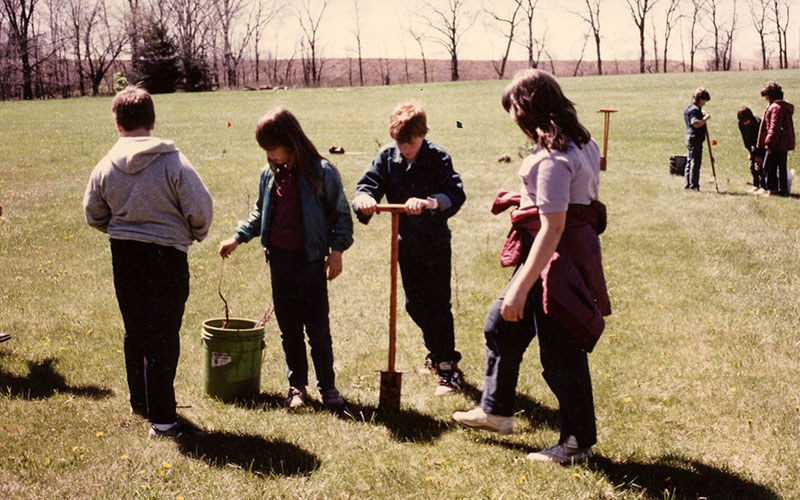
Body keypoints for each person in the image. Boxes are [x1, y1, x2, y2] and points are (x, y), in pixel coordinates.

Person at [452, 69, 610, 464]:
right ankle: (497, 410)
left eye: (515, 116)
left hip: (556, 264)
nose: (516, 125)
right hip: (565, 252)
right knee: (500, 325)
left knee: (560, 356)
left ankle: (577, 443)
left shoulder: (554, 160)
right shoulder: (583, 144)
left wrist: (523, 287)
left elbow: (553, 228)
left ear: (529, 113)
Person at [83, 85, 213, 439]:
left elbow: (92, 212)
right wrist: (192, 233)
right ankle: (164, 421)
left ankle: (140, 401)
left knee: (136, 330)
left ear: (117, 122)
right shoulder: (173, 161)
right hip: (166, 256)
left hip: (125, 255)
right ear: (152, 121)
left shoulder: (106, 164)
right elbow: (200, 208)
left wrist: (121, 227)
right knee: (163, 336)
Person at [218, 107, 353, 409]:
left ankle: (327, 388)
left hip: (310, 262)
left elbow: (340, 215)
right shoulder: (269, 175)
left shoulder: (322, 172)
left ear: (291, 141)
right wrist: (237, 238)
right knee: (288, 328)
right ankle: (297, 387)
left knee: (317, 328)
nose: (269, 155)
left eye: (272, 148)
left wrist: (337, 251)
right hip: (279, 262)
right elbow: (259, 214)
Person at [352, 102, 466, 397]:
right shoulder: (386, 158)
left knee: (438, 303)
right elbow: (368, 185)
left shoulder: (438, 157)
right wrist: (364, 199)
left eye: (411, 142)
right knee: (414, 304)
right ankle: (437, 352)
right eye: (399, 142)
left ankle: (447, 366)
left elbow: (455, 192)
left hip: (435, 244)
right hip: (405, 245)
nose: (404, 148)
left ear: (422, 135)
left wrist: (429, 202)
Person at [757, 81, 795, 197]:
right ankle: (783, 190)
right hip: (784, 143)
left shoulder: (775, 108)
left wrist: (768, 144)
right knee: (781, 166)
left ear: (769, 96)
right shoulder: (782, 106)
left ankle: (773, 190)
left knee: (768, 166)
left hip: (776, 143)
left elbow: (774, 127)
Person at [683, 87, 712, 191]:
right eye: (704, 100)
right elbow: (695, 124)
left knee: (689, 161)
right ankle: (694, 185)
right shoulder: (695, 110)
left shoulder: (690, 108)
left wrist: (701, 114)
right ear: (700, 99)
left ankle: (688, 184)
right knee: (695, 163)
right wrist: (705, 118)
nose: (705, 103)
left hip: (689, 137)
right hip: (695, 139)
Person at [737, 107, 766, 193]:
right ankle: (755, 185)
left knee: (760, 165)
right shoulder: (741, 124)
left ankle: (763, 186)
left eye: (746, 121)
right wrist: (750, 152)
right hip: (752, 146)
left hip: (761, 146)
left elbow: (760, 140)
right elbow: (746, 139)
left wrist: (758, 155)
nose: (745, 123)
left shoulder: (758, 123)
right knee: (752, 165)